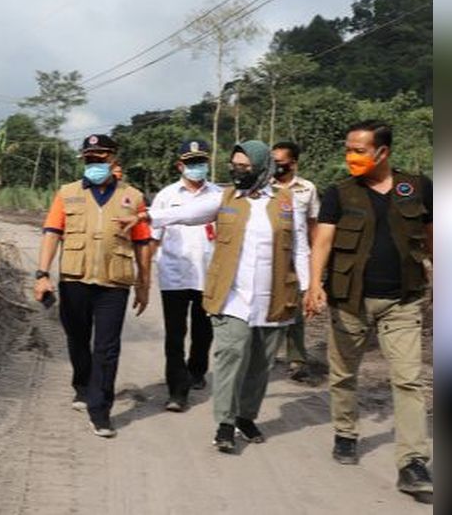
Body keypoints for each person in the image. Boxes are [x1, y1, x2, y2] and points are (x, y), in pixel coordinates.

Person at [122, 140, 309, 453]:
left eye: (244, 167)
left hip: (273, 295)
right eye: (234, 165)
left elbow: (301, 247)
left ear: (262, 168)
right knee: (229, 357)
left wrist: (309, 286)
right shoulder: (225, 198)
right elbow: (187, 213)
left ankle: (246, 417)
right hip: (233, 295)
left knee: (260, 364)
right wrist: (146, 217)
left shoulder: (287, 201)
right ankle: (224, 423)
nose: (237, 171)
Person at [305, 120, 433, 504]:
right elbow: (323, 241)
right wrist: (315, 285)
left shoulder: (417, 186)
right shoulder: (339, 193)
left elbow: (432, 235)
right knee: (344, 374)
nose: (351, 156)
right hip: (350, 300)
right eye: (348, 149)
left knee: (409, 379)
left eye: (359, 150)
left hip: (403, 300)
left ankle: (412, 462)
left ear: (383, 152)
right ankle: (345, 432)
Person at [33, 134, 152, 438]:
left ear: (113, 158)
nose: (94, 162)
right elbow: (51, 233)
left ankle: (100, 410)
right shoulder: (67, 193)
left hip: (114, 283)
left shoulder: (133, 197)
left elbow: (142, 242)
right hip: (75, 280)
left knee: (107, 347)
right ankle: (83, 385)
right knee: (77, 338)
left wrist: (144, 283)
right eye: (89, 158)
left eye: (100, 157)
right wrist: (42, 274)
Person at [149, 139, 219, 412]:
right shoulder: (167, 196)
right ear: (180, 165)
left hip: (208, 275)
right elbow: (155, 236)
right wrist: (144, 274)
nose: (196, 167)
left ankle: (197, 370)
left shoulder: (218, 196)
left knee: (204, 332)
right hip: (174, 275)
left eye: (200, 162)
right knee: (175, 335)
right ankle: (177, 391)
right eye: (190, 163)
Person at [270, 141, 320, 382]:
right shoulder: (263, 187)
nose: (275, 167)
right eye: (273, 163)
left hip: (299, 257)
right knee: (268, 307)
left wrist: (318, 261)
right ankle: (264, 356)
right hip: (270, 258)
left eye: (280, 163)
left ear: (293, 163)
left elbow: (313, 225)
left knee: (296, 311)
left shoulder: (307, 189)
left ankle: (297, 359)